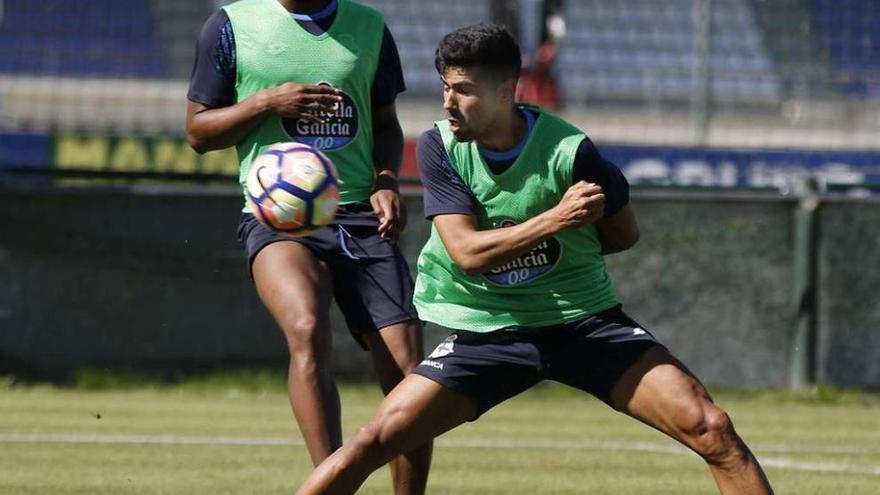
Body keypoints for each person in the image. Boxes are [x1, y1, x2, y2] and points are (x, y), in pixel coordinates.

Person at [295, 24, 775, 495]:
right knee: (372, 441)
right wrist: (554, 222)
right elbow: (467, 254)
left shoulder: (572, 153)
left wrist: (559, 245)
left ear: (506, 91)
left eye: (463, 90)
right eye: (445, 87)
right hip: (488, 332)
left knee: (713, 429)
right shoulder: (439, 146)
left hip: (583, 325)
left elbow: (624, 234)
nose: (447, 102)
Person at [184, 1, 431, 493]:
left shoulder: (370, 28)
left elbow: (385, 123)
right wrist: (265, 103)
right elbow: (197, 132)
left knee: (410, 373)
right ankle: (332, 485)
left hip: (362, 217)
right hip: (279, 219)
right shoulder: (230, 26)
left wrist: (386, 178)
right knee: (307, 327)